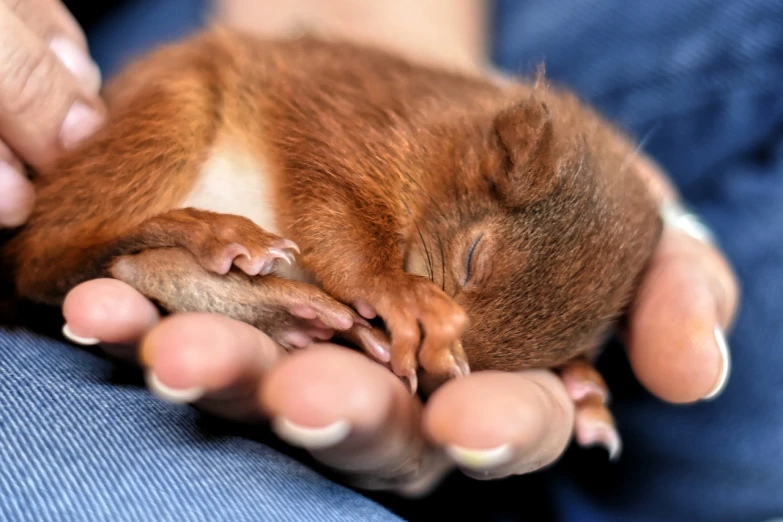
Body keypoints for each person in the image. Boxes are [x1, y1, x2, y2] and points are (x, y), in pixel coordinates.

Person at [0, 0, 777, 521]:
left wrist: (569, 348)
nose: (438, 331)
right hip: (173, 103)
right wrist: (377, 278)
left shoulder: (467, 182)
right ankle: (113, 249)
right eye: (470, 261)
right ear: (503, 161)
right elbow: (321, 176)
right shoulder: (407, 154)